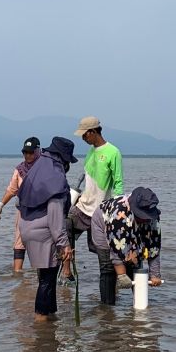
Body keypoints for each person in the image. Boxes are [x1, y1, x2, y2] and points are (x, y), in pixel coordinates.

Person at [17, 137, 77, 321]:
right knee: (47, 278)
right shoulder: (55, 176)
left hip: (27, 226)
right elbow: (55, 215)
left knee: (46, 275)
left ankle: (50, 317)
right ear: (63, 158)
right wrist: (64, 244)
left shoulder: (38, 167)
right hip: (44, 232)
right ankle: (41, 320)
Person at [63, 116, 124, 283]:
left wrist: (118, 211)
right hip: (83, 206)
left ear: (93, 131)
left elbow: (118, 183)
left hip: (101, 211)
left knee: (100, 251)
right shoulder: (90, 151)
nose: (83, 138)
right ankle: (67, 270)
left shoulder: (113, 152)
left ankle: (118, 274)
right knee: (65, 226)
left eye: (85, 134)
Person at [90, 186, 164, 305]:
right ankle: (107, 309)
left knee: (135, 267)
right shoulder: (119, 215)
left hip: (127, 228)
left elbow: (154, 247)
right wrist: (121, 275)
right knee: (108, 268)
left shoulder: (153, 219)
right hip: (102, 224)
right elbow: (116, 247)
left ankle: (140, 307)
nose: (145, 220)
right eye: (142, 216)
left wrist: (155, 274)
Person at [0, 136, 42, 272]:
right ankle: (17, 274)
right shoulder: (20, 169)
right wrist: (1, 205)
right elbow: (12, 190)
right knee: (19, 241)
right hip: (23, 211)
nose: (28, 155)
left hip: (41, 212)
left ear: (38, 151)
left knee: (38, 241)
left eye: (31, 152)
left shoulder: (44, 168)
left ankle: (39, 272)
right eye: (25, 152)